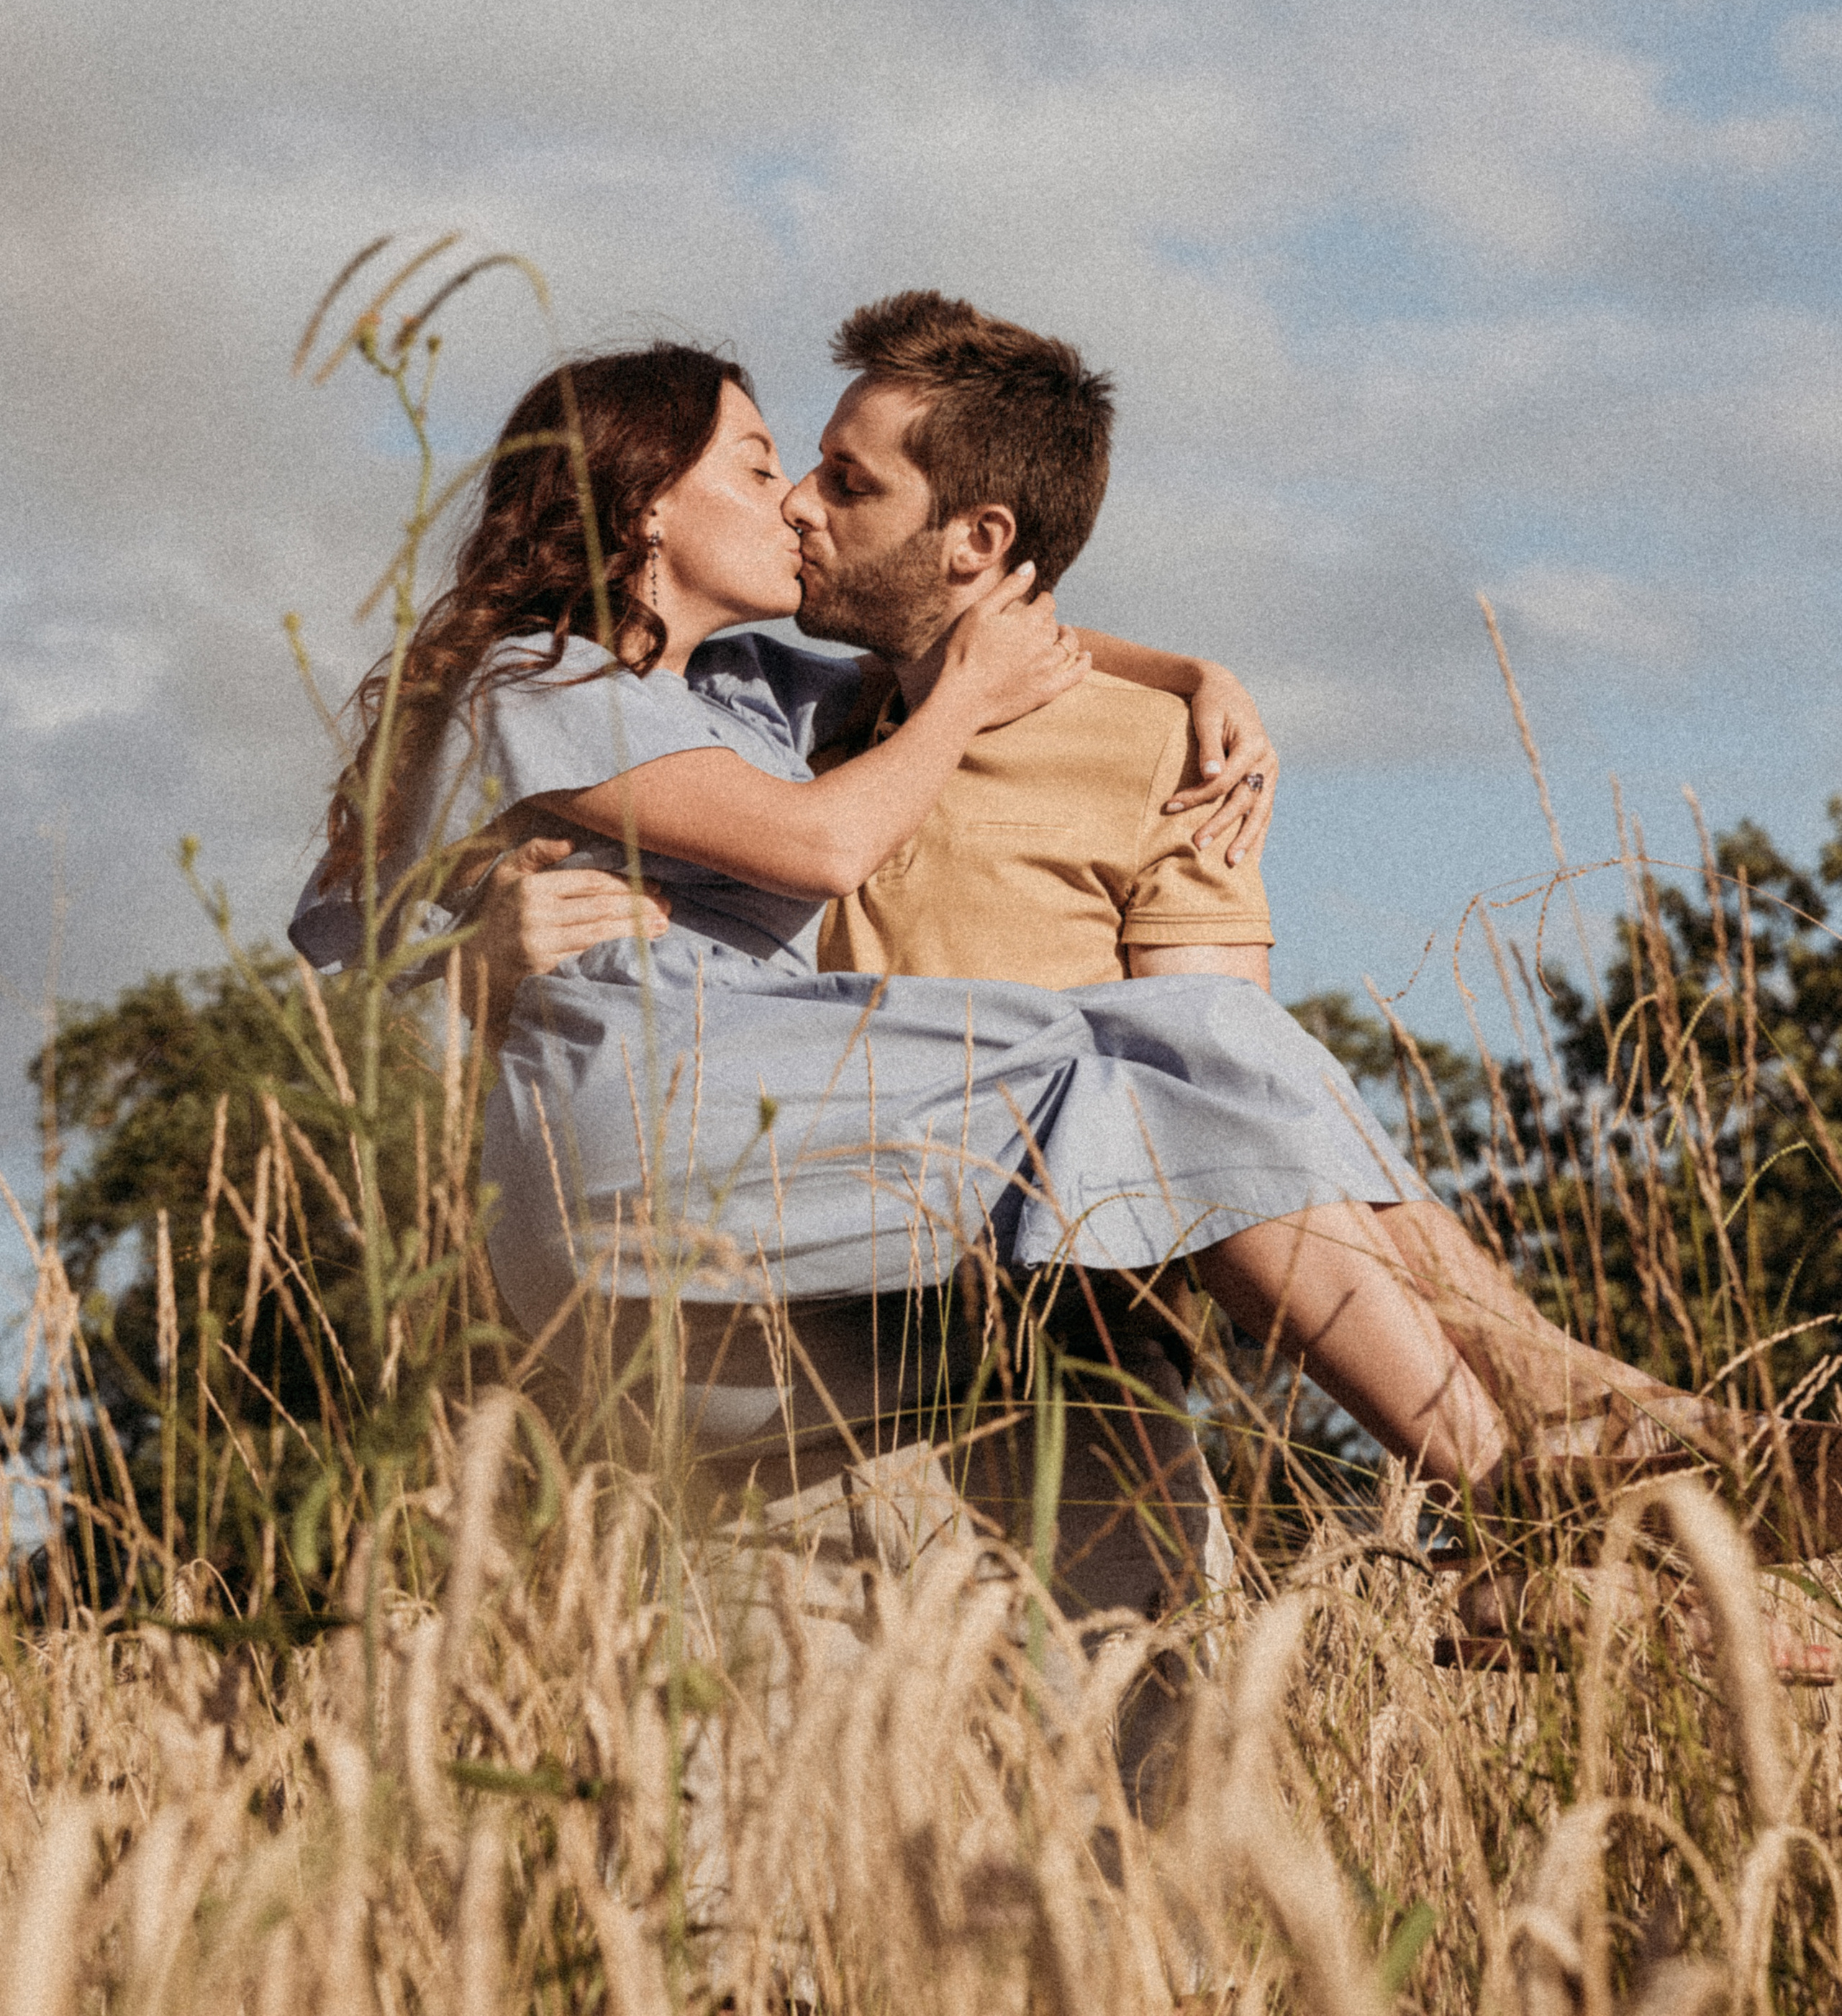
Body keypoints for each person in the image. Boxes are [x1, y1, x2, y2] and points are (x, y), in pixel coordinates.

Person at [450, 300, 1842, 1576]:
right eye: (780, 467)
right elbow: (778, 860)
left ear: (981, 540)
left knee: (1149, 1788)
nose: (803, 506)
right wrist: (481, 961)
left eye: (842, 480)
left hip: (1059, 1368)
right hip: (766, 1360)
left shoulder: (1142, 752)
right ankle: (1576, 1456)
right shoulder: (778, 720)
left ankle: (1572, 1470)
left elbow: (1241, 1132)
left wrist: (1185, 674)